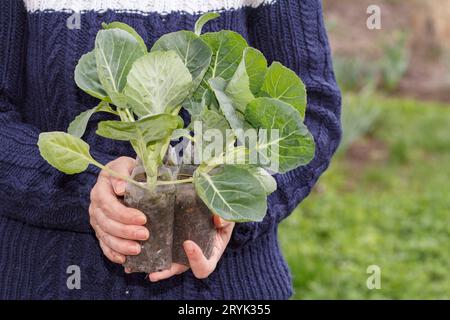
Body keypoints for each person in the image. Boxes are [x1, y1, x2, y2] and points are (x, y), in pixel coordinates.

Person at [0, 0, 341, 299]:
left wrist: (227, 204)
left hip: (230, 289)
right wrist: (91, 186)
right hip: (45, 279)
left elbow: (312, 112)